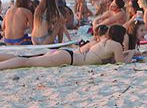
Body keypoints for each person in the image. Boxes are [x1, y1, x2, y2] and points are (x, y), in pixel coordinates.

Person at [0, 25, 133, 69]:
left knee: (25, 58)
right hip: (67, 58)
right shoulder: (115, 45)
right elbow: (121, 63)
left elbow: (112, 60)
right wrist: (132, 53)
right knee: (27, 62)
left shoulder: (105, 42)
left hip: (68, 55)